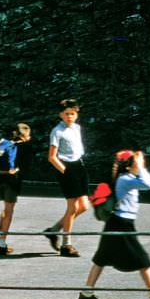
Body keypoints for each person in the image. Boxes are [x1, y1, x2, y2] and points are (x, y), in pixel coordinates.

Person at [78, 150, 150, 299]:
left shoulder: (126, 178)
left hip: (118, 222)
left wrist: (139, 165)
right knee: (142, 258)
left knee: (101, 258)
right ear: (129, 166)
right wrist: (141, 167)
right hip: (122, 223)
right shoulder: (126, 179)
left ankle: (86, 293)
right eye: (137, 163)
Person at [45, 99, 88, 257]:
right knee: (73, 208)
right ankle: (66, 245)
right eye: (67, 113)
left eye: (73, 114)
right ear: (61, 114)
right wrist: (65, 171)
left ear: (77, 114)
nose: (70, 116)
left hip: (79, 166)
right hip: (66, 168)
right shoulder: (57, 131)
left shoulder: (77, 128)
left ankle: (54, 230)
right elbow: (52, 157)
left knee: (84, 206)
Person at [0, 123, 34, 255]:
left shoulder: (4, 144)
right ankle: (2, 243)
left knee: (5, 209)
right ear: (26, 136)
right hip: (12, 181)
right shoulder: (24, 147)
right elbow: (26, 167)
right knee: (9, 212)